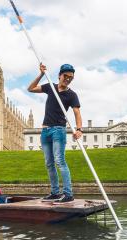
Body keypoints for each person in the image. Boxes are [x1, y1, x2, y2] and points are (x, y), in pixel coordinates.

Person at [28, 63, 82, 202]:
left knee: (59, 161)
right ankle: (55, 192)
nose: (68, 79)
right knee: (49, 163)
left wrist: (79, 129)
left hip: (59, 130)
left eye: (71, 77)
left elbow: (77, 113)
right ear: (60, 75)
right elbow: (31, 88)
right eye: (66, 76)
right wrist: (41, 74)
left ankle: (68, 194)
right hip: (45, 130)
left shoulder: (71, 95)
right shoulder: (50, 87)